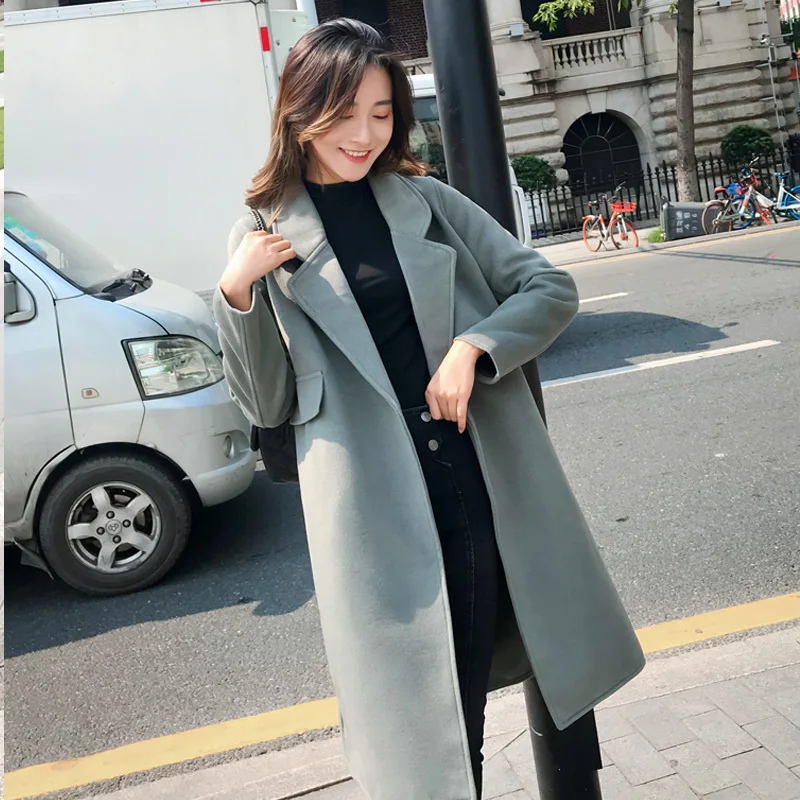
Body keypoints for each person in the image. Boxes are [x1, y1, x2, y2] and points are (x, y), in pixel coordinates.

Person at [214, 18, 644, 800]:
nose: (364, 134)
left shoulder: (427, 202)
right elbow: (267, 402)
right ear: (302, 112)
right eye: (345, 114)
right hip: (372, 516)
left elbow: (550, 287)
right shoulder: (264, 234)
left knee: (462, 705)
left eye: (381, 113)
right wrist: (236, 294)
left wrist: (474, 346)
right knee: (417, 736)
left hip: (466, 484)